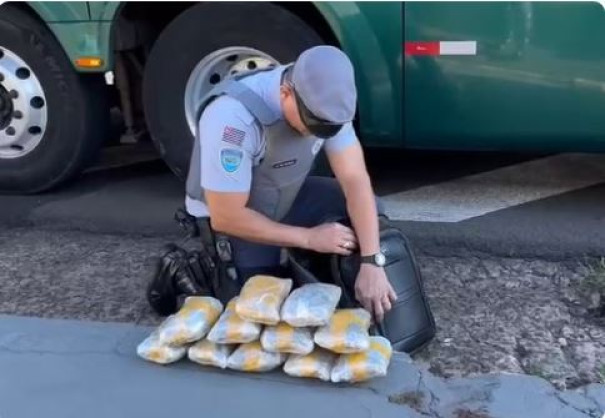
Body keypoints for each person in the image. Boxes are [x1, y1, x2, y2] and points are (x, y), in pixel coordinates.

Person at [184, 46, 396, 322]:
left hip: (284, 193)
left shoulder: (324, 100)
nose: (315, 134)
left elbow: (355, 179)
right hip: (239, 215)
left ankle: (330, 271)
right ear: (286, 93)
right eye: (312, 125)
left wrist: (371, 261)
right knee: (262, 309)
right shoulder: (232, 119)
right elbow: (226, 217)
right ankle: (186, 272)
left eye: (326, 129)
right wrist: (310, 238)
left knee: (371, 212)